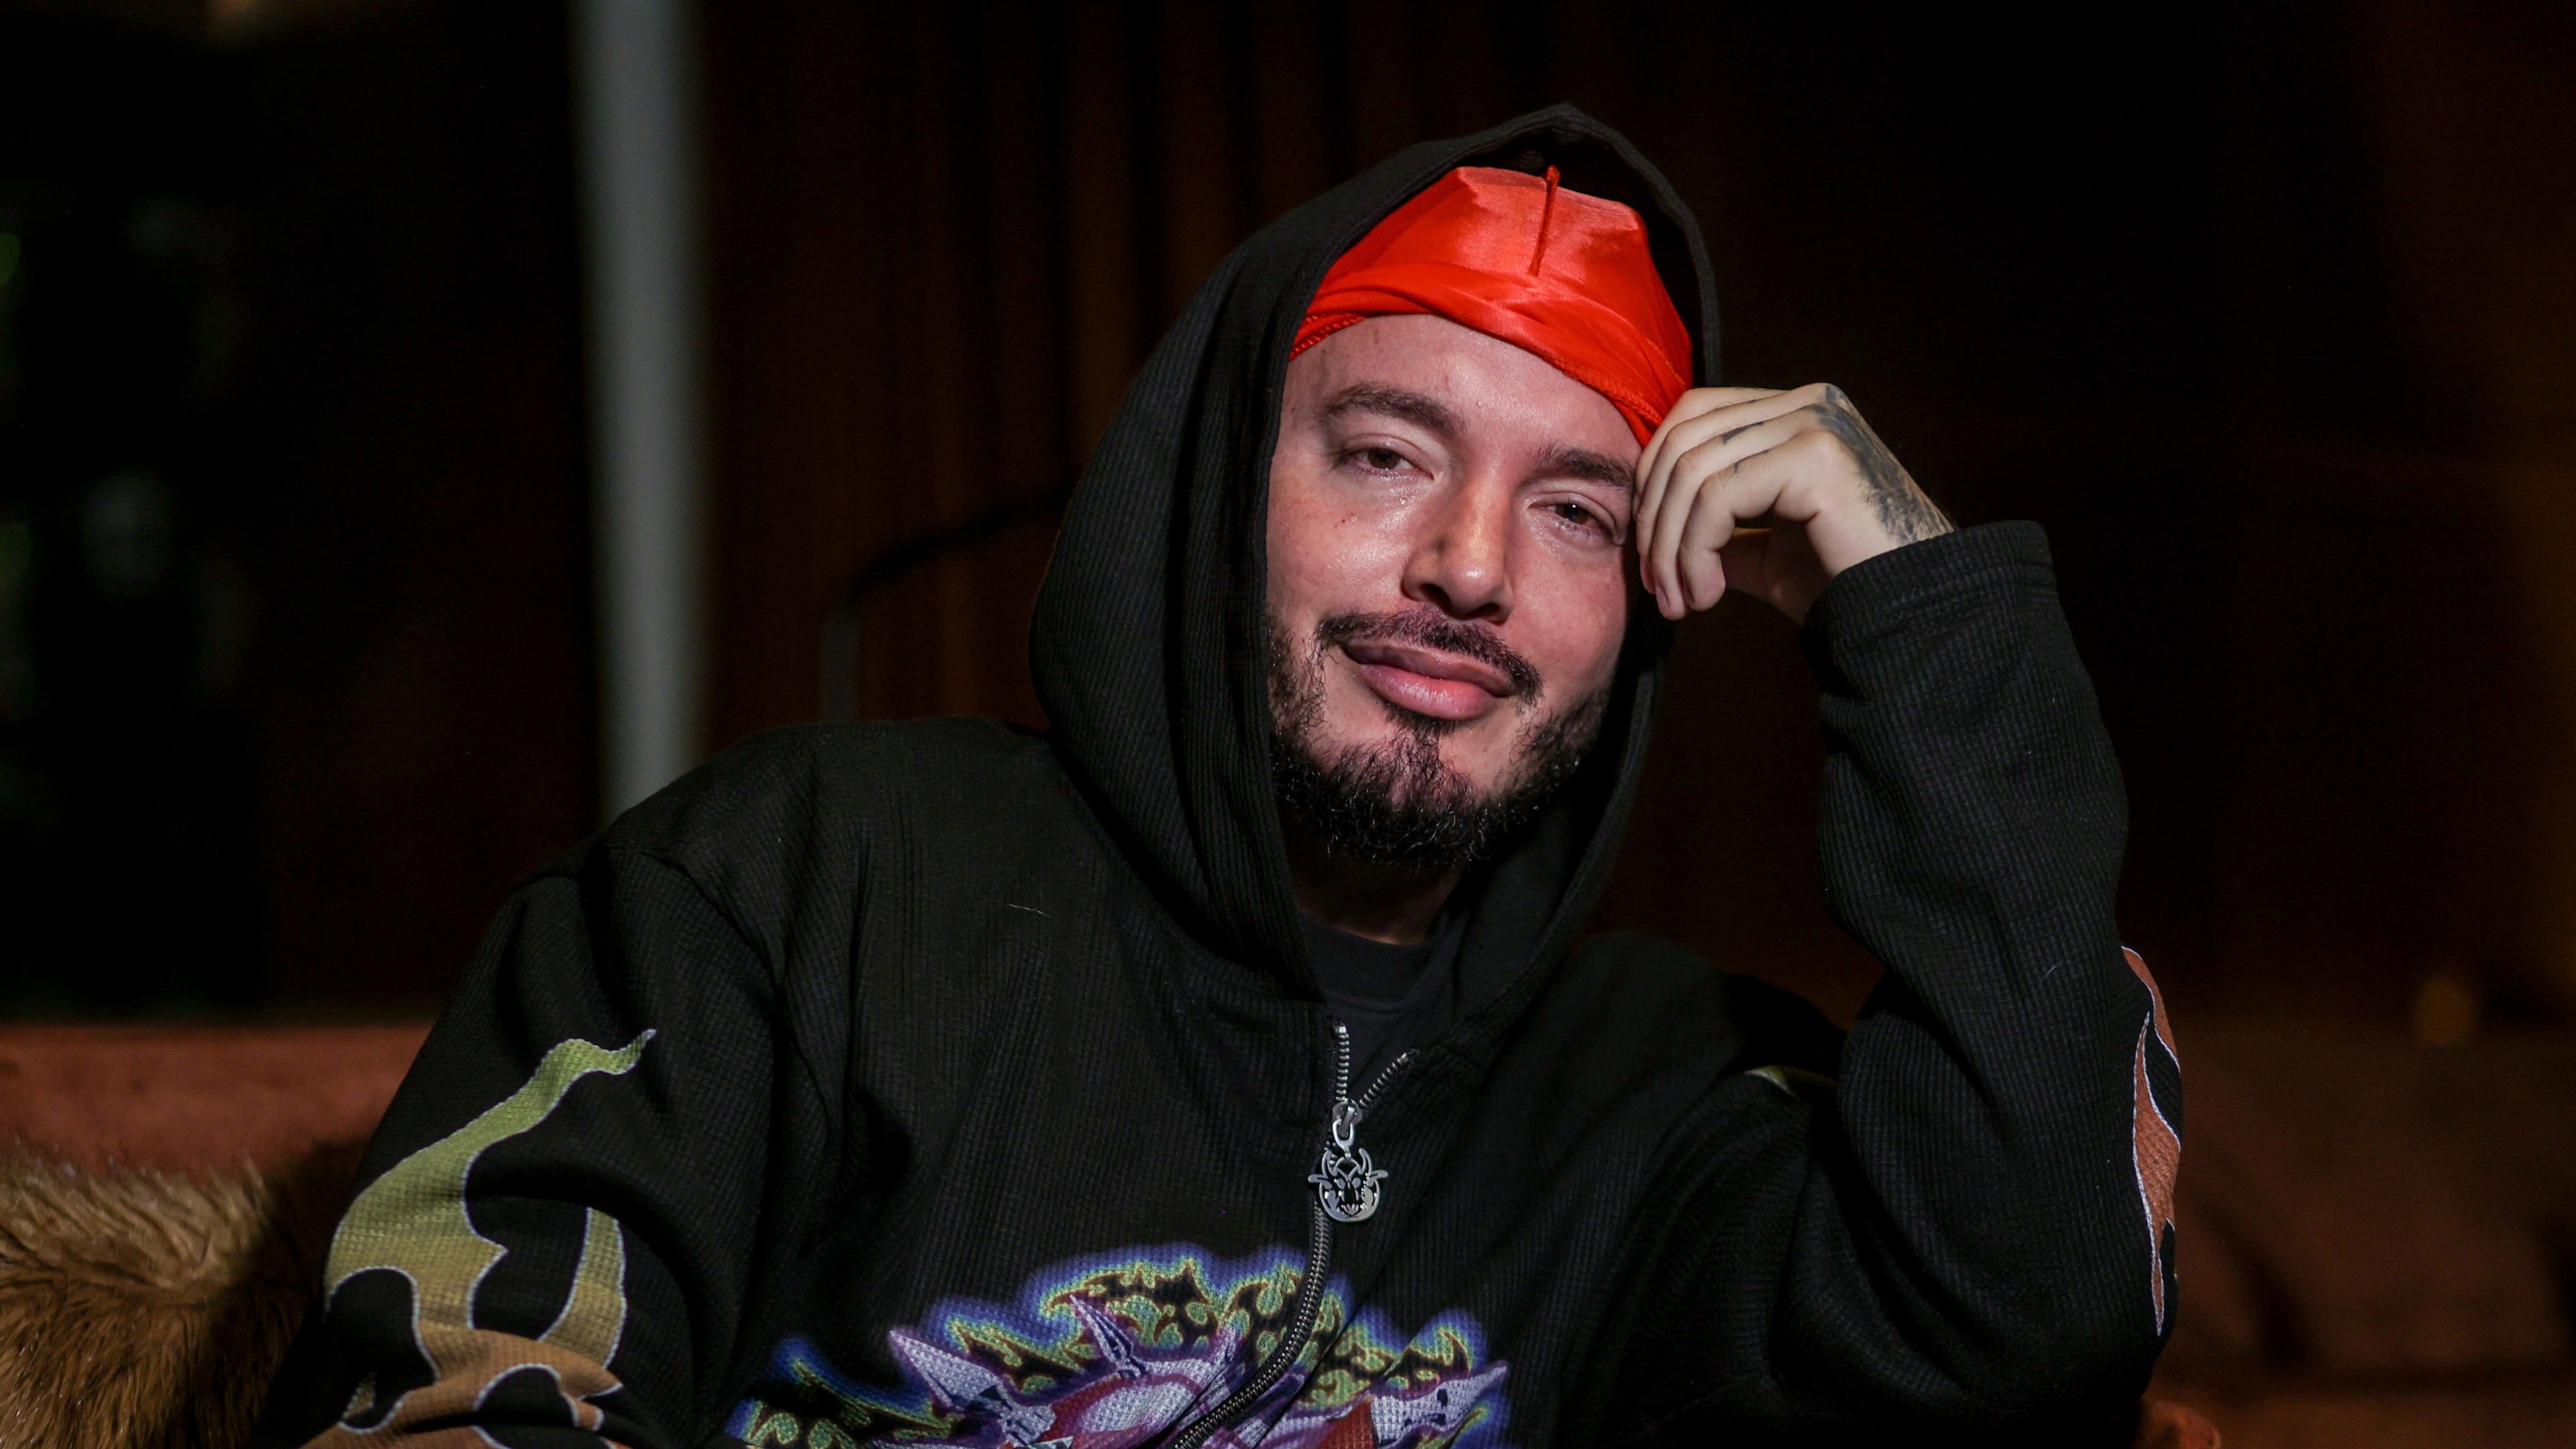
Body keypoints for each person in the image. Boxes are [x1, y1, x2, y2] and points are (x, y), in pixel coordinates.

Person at [253, 106, 2180, 1449]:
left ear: (1653, 602)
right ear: (1214, 495)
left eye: (1579, 509)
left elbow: (2029, 1337)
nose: (1471, 570)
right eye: (1385, 455)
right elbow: (450, 1404)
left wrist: (1924, 614)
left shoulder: (1667, 1097)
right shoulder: (795, 886)